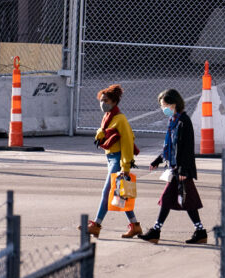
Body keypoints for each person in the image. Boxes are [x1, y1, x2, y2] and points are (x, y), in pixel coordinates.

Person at [139, 89, 207, 245]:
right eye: (162, 106)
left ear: (174, 104)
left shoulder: (184, 121)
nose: (163, 109)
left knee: (172, 200)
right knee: (184, 201)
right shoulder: (173, 121)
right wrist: (158, 160)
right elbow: (170, 146)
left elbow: (186, 148)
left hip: (181, 170)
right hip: (175, 168)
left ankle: (156, 231)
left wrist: (184, 169)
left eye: (165, 105)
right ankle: (200, 231)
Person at [79, 84, 141, 239]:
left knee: (107, 192)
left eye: (105, 100)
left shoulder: (120, 119)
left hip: (118, 159)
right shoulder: (108, 117)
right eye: (101, 100)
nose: (102, 103)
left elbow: (127, 142)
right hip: (111, 158)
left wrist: (125, 166)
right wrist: (100, 134)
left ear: (114, 102)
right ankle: (135, 226)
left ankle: (96, 225)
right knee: (120, 193)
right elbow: (106, 133)